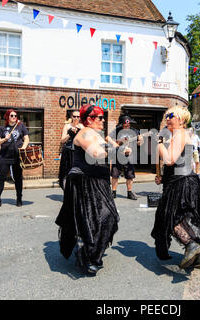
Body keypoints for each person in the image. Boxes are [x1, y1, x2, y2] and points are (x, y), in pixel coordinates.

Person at [152, 106, 200, 270]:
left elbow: (170, 159)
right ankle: (199, 258)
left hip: (181, 182)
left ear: (181, 120)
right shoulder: (175, 135)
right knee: (180, 217)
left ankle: (192, 245)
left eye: (171, 115)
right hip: (179, 180)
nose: (167, 118)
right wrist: (160, 174)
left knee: (169, 217)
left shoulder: (180, 134)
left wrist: (160, 143)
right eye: (166, 115)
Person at [55, 104, 119, 275]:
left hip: (99, 181)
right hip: (84, 181)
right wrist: (114, 150)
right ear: (90, 119)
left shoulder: (97, 134)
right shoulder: (83, 133)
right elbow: (95, 153)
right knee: (91, 219)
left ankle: (92, 253)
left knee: (109, 217)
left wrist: (124, 147)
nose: (103, 120)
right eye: (100, 117)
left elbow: (110, 149)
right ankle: (88, 257)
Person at [0, 109, 29, 209]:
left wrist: (23, 148)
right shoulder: (2, 129)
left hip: (17, 157)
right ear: (7, 117)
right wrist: (4, 139)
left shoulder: (21, 126)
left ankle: (19, 199)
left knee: (18, 178)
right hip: (4, 157)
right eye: (12, 115)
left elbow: (26, 138)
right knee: (0, 179)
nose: (14, 117)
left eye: (15, 115)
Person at [110, 115, 143, 200]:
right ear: (121, 124)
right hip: (117, 155)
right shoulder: (117, 130)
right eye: (125, 126)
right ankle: (113, 192)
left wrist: (140, 141)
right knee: (115, 174)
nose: (127, 127)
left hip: (130, 156)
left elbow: (140, 142)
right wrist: (115, 144)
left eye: (128, 125)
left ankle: (129, 193)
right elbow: (108, 137)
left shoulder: (135, 131)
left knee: (130, 175)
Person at [58, 110, 84, 190]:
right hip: (68, 152)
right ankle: (67, 192)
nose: (76, 118)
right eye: (74, 116)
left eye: (78, 116)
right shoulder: (67, 126)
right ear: (71, 117)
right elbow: (62, 140)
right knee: (66, 172)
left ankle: (76, 193)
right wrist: (70, 134)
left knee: (78, 173)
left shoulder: (82, 127)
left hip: (78, 152)